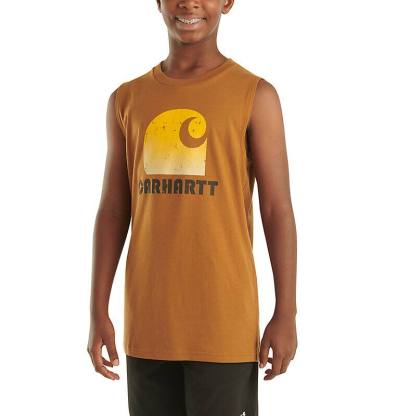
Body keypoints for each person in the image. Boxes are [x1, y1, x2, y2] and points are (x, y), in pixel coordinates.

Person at [87, 0, 298, 414]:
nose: (189, 3)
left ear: (227, 2)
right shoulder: (126, 99)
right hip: (149, 328)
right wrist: (98, 310)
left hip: (224, 328)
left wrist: (286, 312)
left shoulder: (255, 96)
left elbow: (277, 210)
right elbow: (113, 209)